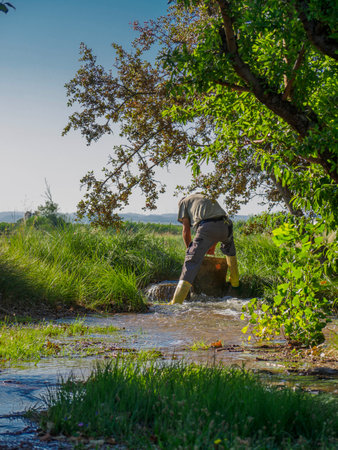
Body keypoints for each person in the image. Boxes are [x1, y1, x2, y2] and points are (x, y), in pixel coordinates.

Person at [170, 193, 239, 304]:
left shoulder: (183, 203)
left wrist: (191, 251)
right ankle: (236, 284)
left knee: (191, 262)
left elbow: (186, 230)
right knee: (230, 251)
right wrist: (210, 247)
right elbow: (216, 226)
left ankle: (176, 302)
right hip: (226, 225)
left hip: (207, 226)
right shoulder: (202, 197)